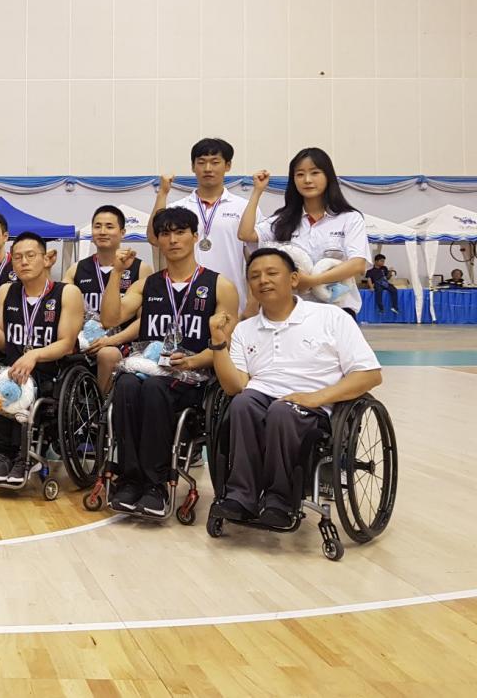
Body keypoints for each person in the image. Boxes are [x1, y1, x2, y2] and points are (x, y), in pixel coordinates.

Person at [208, 248, 382, 528]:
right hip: (262, 399)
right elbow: (234, 386)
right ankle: (241, 496)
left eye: (271, 273)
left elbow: (369, 374)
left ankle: (280, 500)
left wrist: (316, 398)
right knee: (241, 403)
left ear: (293, 279)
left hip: (314, 408)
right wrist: (218, 342)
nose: (263, 280)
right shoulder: (244, 329)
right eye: (254, 276)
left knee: (281, 411)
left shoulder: (331, 318)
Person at [101, 207, 240, 516]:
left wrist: (191, 363)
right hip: (148, 371)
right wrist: (116, 274)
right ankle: (129, 481)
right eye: (165, 233)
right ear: (158, 240)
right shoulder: (146, 284)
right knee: (124, 384)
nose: (173, 239)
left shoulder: (220, 286)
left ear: (195, 235)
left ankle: (155, 485)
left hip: (191, 380)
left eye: (180, 232)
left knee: (153, 388)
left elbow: (224, 346)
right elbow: (110, 318)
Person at [0, 232, 82, 485]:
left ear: (48, 259)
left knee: (22, 386)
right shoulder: (6, 291)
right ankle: (0, 456)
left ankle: (22, 457)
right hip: (12, 369)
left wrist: (34, 354)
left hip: (51, 371)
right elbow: (3, 342)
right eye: (17, 257)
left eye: (30, 255)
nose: (23, 262)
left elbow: (67, 344)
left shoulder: (67, 293)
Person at [238, 147, 370, 320]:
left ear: (328, 176)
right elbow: (245, 234)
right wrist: (257, 191)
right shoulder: (283, 220)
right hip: (291, 313)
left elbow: (358, 265)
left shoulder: (349, 218)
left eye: (315, 173)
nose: (307, 180)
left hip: (338, 312)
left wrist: (311, 281)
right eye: (300, 174)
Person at [150, 138, 250, 314]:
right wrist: (163, 194)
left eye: (215, 162)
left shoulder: (244, 208)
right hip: (184, 302)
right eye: (201, 162)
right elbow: (153, 238)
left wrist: (252, 305)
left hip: (232, 302)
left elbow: (255, 259)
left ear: (227, 165)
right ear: (192, 166)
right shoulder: (178, 208)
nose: (208, 168)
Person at [63, 205, 154, 395]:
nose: (102, 231)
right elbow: (65, 313)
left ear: (122, 232)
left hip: (122, 342)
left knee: (108, 353)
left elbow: (144, 319)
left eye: (109, 226)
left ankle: (100, 413)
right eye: (97, 226)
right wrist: (77, 340)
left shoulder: (141, 269)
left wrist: (111, 340)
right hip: (85, 342)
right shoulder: (76, 269)